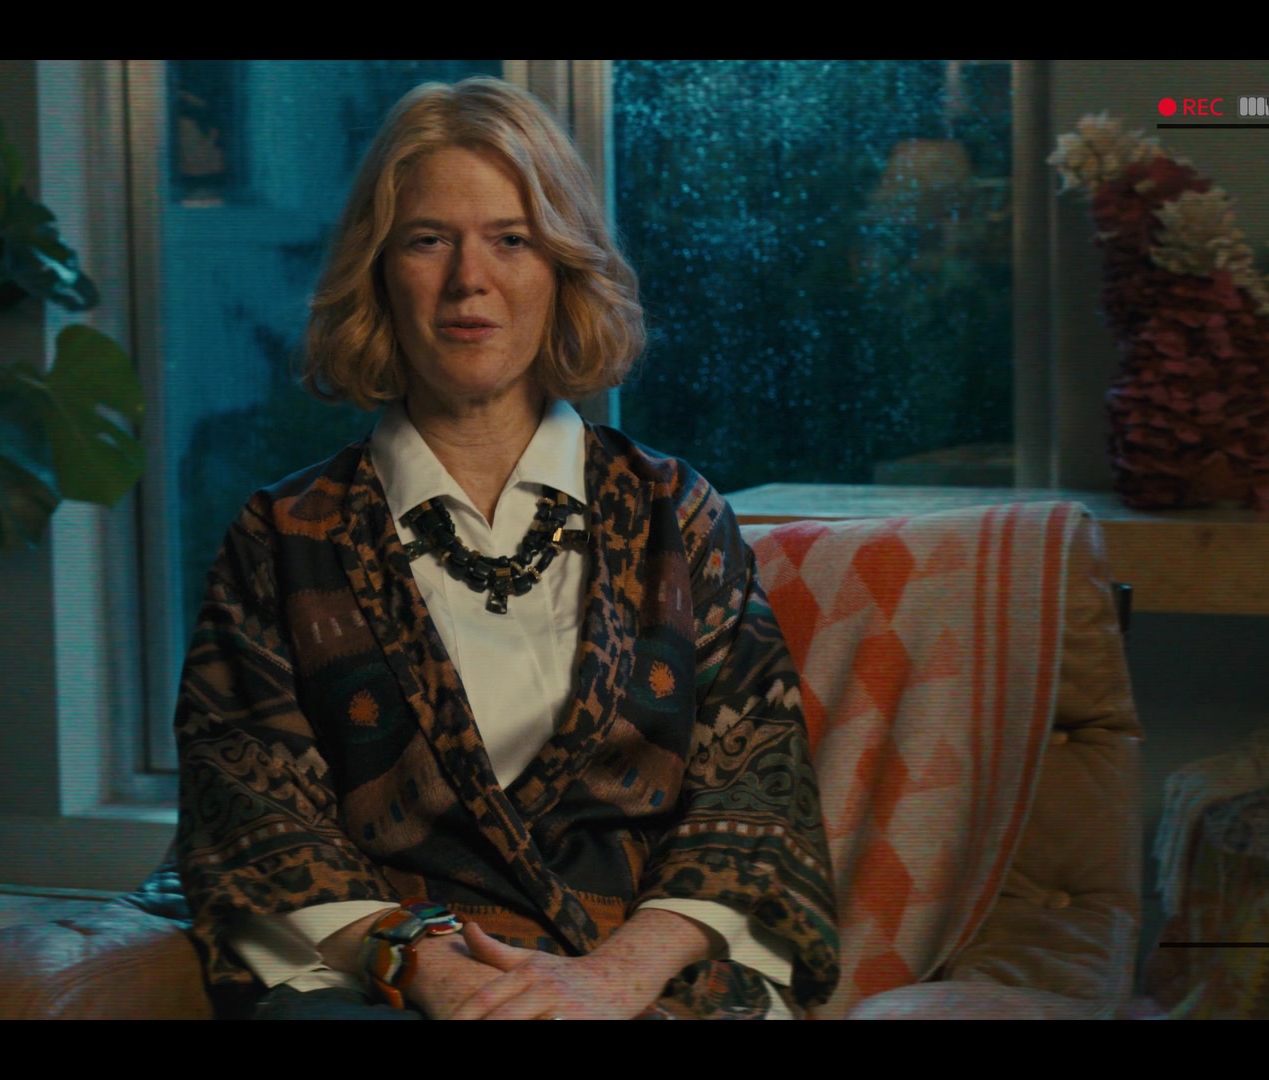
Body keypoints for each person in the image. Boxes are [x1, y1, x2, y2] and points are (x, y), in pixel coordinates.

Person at [174, 75, 840, 1021]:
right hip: (392, 990)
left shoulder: (674, 514)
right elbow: (250, 812)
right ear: (378, 271)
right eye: (427, 239)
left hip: (645, 982)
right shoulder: (283, 539)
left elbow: (757, 798)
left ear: (563, 268)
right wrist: (429, 968)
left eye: (511, 239)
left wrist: (611, 979)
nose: (468, 279)